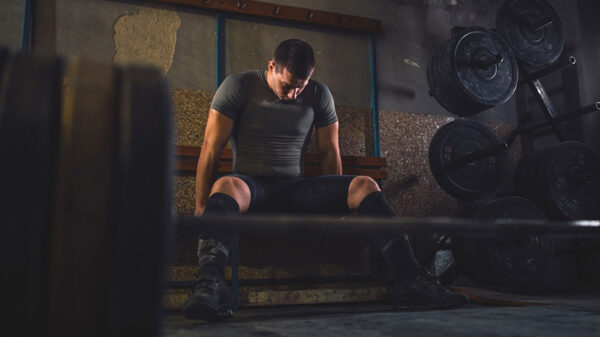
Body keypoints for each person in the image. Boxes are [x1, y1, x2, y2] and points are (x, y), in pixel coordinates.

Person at [182, 39, 468, 320]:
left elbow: (330, 151)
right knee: (224, 186)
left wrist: (336, 211)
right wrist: (200, 208)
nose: (294, 94)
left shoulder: (319, 94)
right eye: (287, 86)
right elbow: (210, 147)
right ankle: (209, 285)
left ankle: (412, 279)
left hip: (296, 189)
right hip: (251, 187)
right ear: (271, 67)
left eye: (300, 87)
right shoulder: (239, 86)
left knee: (366, 184)